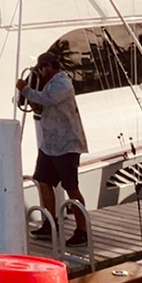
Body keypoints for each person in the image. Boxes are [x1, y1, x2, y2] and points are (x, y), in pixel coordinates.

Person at [16, 52, 89, 247]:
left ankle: (83, 230)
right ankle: (50, 224)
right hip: (50, 144)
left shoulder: (62, 83)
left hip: (67, 144)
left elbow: (47, 99)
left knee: (71, 187)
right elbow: (41, 107)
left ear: (48, 66)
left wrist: (26, 90)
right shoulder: (50, 84)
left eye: (41, 68)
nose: (40, 72)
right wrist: (29, 97)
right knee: (42, 181)